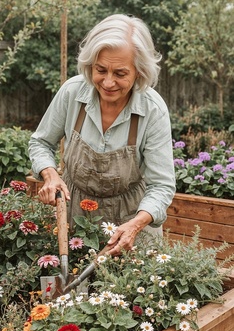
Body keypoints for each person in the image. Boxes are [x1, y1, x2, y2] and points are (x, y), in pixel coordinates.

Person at [29, 14, 176, 256]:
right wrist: (50, 174)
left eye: (120, 73)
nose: (108, 82)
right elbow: (41, 142)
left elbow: (161, 185)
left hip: (132, 222)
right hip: (77, 217)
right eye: (101, 70)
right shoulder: (72, 93)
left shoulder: (152, 109)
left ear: (139, 71)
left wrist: (136, 225)